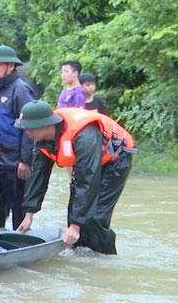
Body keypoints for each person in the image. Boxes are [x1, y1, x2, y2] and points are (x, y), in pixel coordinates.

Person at [15, 101, 135, 254]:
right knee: (74, 213)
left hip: (115, 160)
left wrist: (76, 225)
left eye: (30, 128)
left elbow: (87, 179)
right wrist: (29, 214)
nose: (27, 132)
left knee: (95, 218)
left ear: (45, 124)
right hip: (87, 163)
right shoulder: (41, 140)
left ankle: (105, 260)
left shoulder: (84, 135)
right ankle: (79, 255)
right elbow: (38, 175)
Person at [0, 45, 36, 230]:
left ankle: (20, 243)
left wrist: (26, 160)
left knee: (19, 212)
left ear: (11, 66)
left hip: (14, 165)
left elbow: (30, 127)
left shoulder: (21, 91)